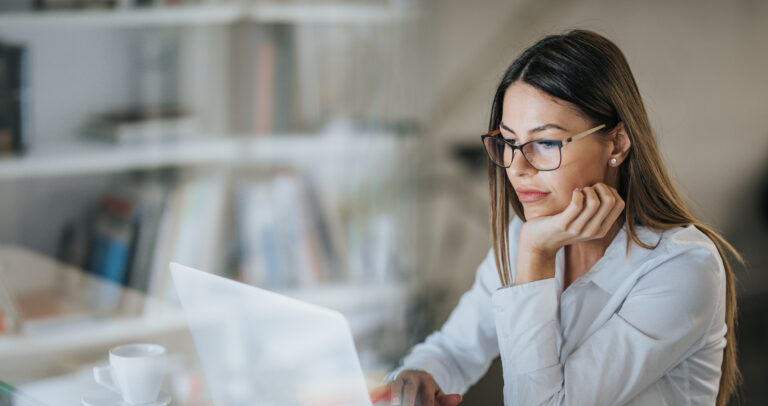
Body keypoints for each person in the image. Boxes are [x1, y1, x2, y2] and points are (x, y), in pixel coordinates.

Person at [369, 29, 742, 406]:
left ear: (617, 142)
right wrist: (414, 377)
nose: (517, 167)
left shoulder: (681, 268)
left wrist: (535, 255)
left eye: (545, 142)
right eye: (509, 141)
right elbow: (455, 349)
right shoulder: (525, 235)